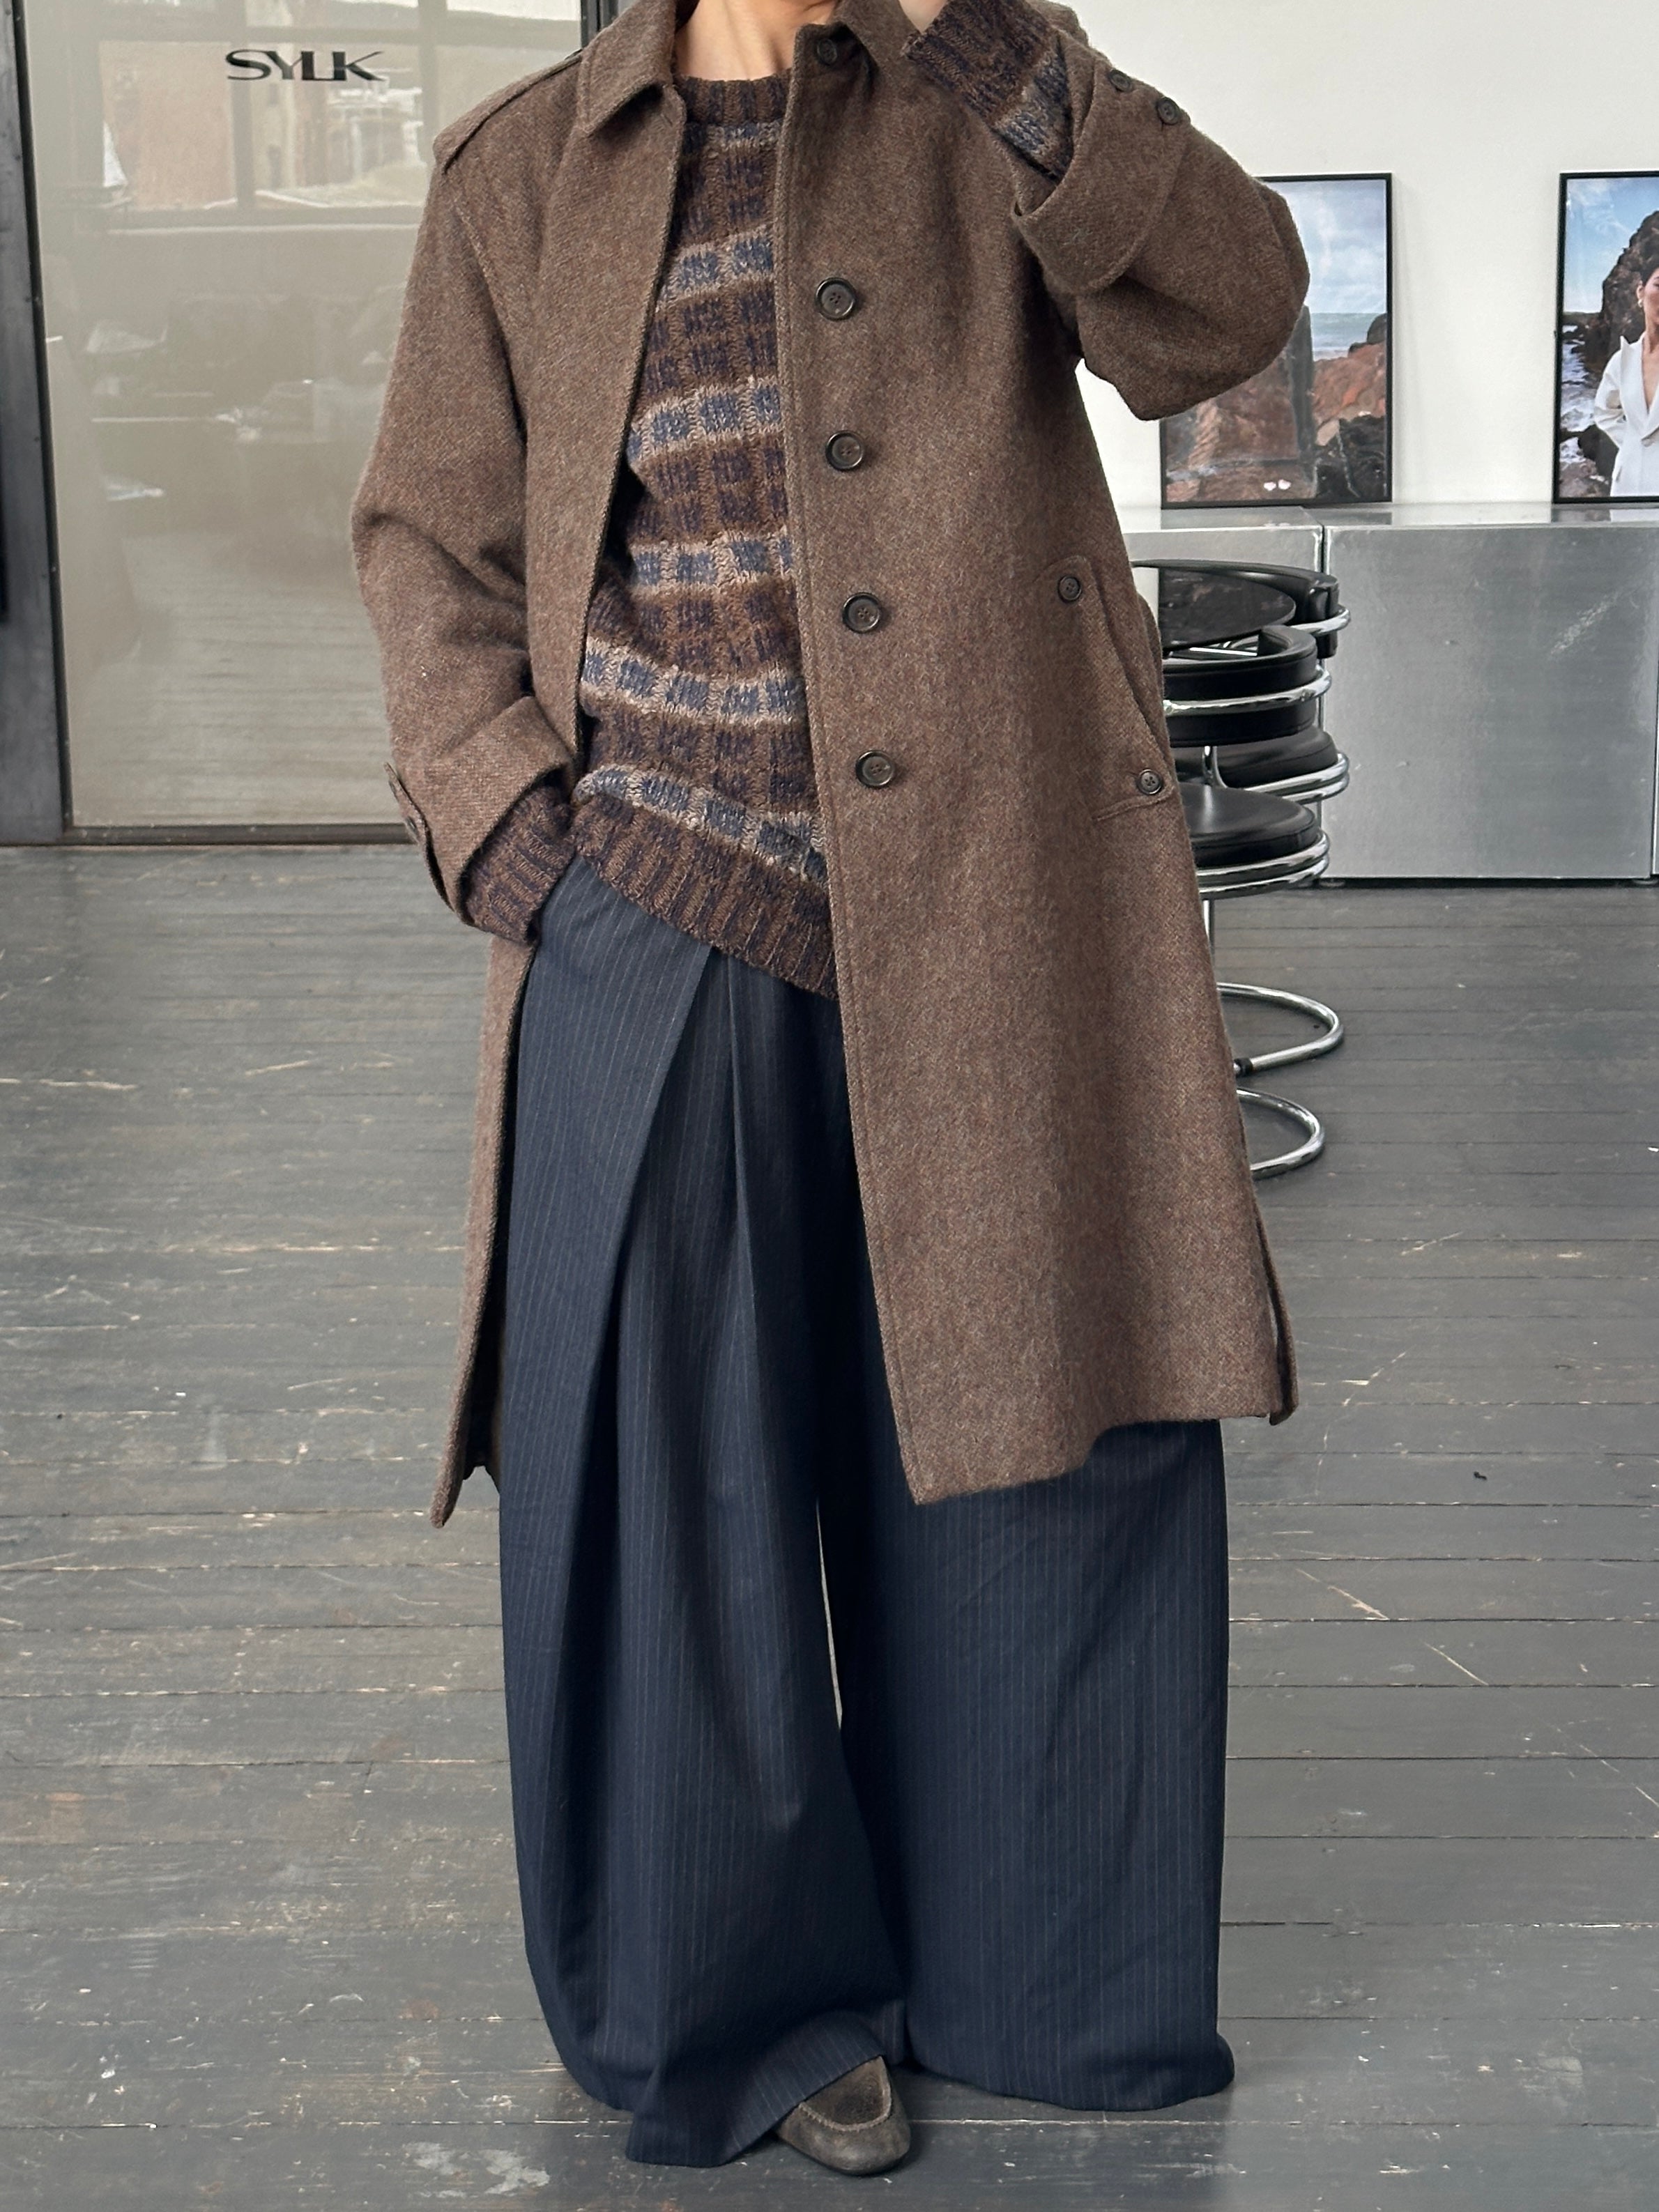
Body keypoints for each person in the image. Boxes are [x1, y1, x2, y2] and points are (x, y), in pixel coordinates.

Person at [351, 0, 1306, 2174]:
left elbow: (1232, 312)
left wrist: (997, 46)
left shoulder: (994, 97)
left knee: (1040, 1424)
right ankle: (743, 2009)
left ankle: (1043, 1970)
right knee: (659, 1483)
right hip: (651, 907)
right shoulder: (521, 171)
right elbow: (426, 539)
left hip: (1002, 898)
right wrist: (508, 819)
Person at [1593, 253, 1659, 497]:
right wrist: (1633, 444)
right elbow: (1604, 412)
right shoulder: (1623, 360)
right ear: (1641, 291)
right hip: (1627, 487)